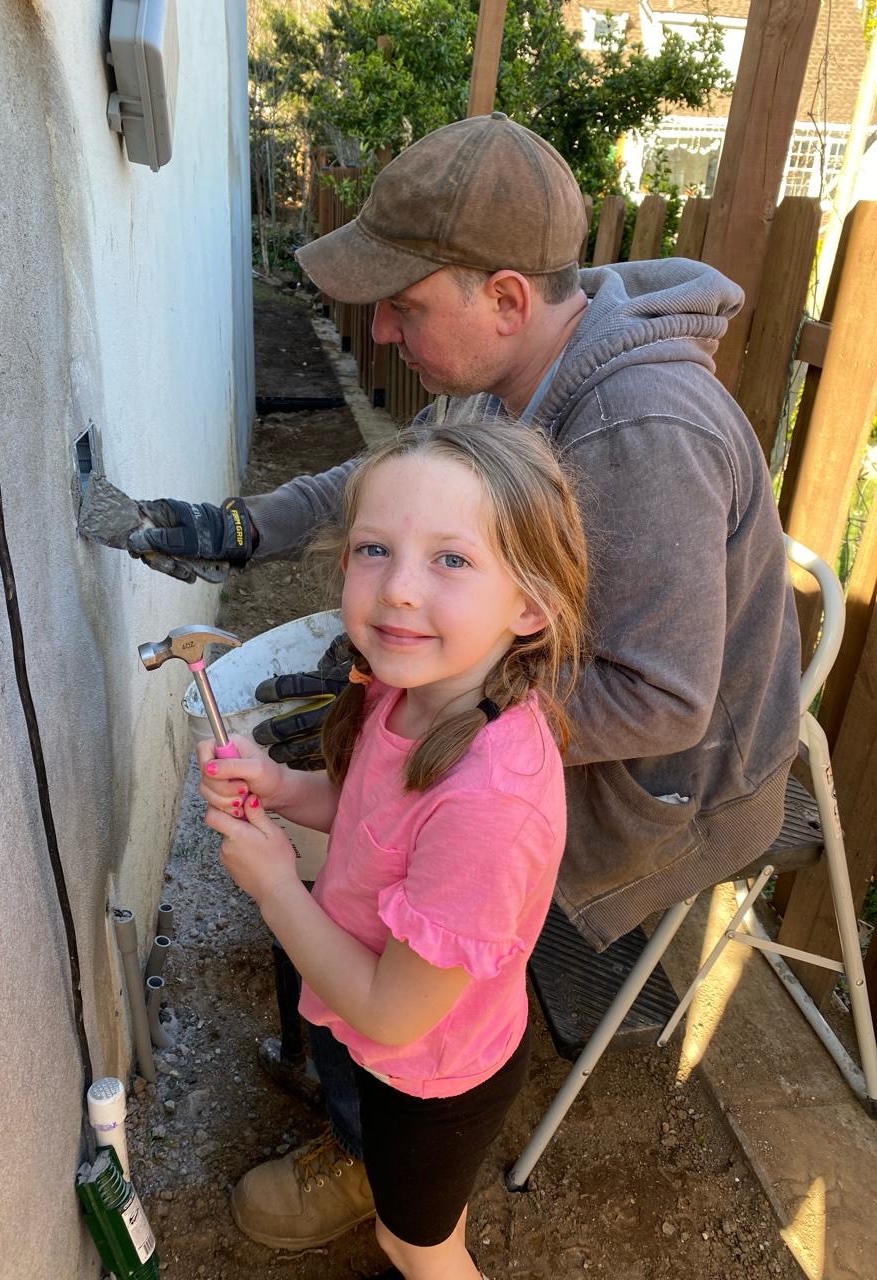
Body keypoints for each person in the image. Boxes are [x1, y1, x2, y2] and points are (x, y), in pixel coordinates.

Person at [122, 113, 801, 1248]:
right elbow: (379, 482)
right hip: (530, 715)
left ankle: (385, 1135)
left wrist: (437, 715)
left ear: (501, 296)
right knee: (339, 789)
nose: (380, 325)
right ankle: (361, 1052)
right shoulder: (517, 378)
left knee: (343, 853)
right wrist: (238, 527)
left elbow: (666, 701)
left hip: (676, 789)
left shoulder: (642, 425)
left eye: (405, 301)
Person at [197, 420, 588, 1279]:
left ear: (529, 604)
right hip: (377, 1028)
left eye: (451, 559)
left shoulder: (491, 801)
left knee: (414, 1245)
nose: (399, 590)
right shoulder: (411, 692)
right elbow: (373, 812)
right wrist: (284, 786)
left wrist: (274, 888)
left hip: (433, 1075)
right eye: (375, 548)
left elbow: (391, 1012)